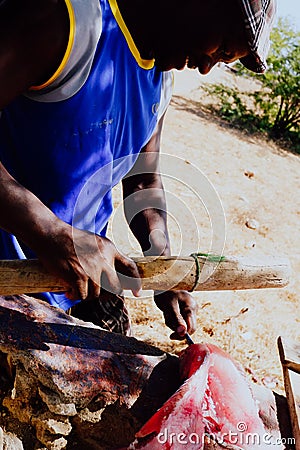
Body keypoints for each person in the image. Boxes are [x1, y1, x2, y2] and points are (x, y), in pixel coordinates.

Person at [0, 0, 276, 338]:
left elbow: (142, 183)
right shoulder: (65, 23)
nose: (206, 68)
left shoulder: (160, 82)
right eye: (221, 47)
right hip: (9, 276)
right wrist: (50, 233)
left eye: (221, 62)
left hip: (76, 279)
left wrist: (163, 264)